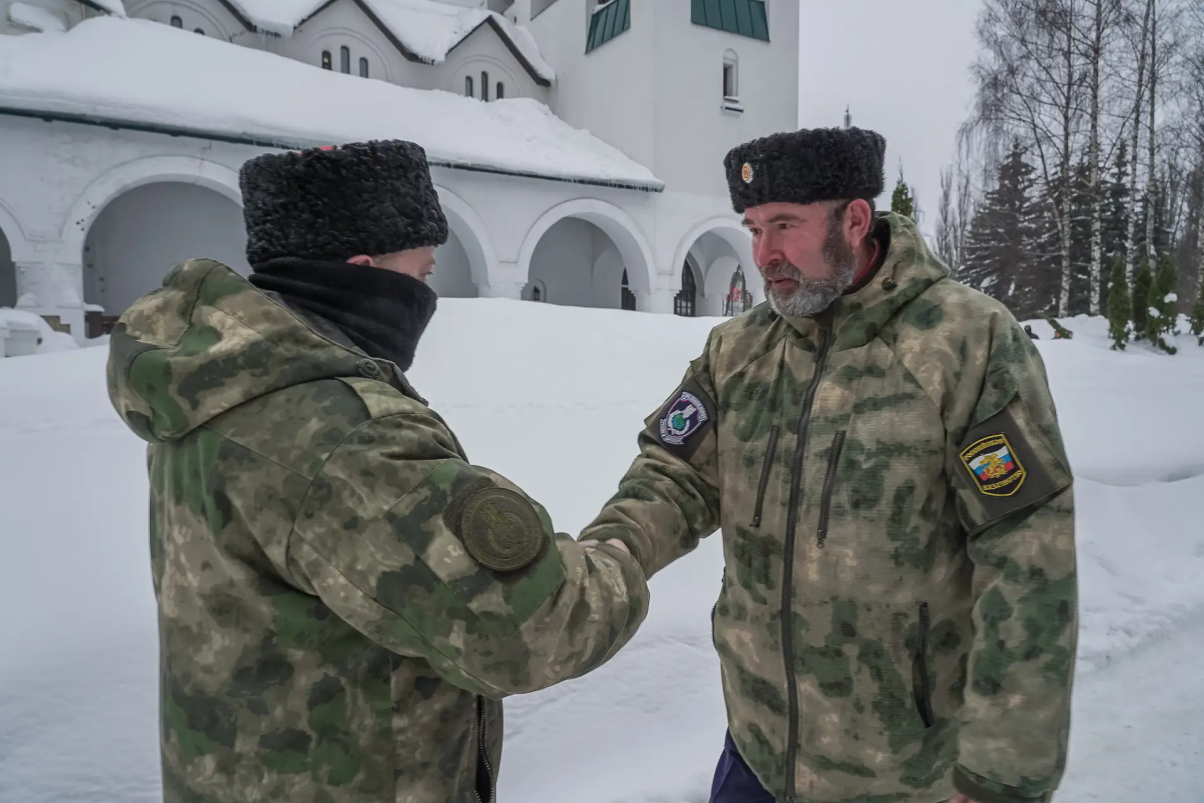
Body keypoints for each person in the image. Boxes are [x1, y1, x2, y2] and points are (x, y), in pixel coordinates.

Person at [105, 140, 646, 803]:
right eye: (421, 273)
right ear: (365, 271)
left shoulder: (215, 387)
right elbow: (532, 628)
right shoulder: (345, 436)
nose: (425, 294)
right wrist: (622, 552)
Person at [580, 128, 1078, 803]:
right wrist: (614, 546)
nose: (764, 254)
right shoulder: (739, 350)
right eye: (753, 228)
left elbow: (1027, 556)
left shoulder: (966, 342)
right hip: (758, 748)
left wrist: (1002, 773)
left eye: (784, 225)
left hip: (904, 770)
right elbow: (676, 475)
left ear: (854, 218)